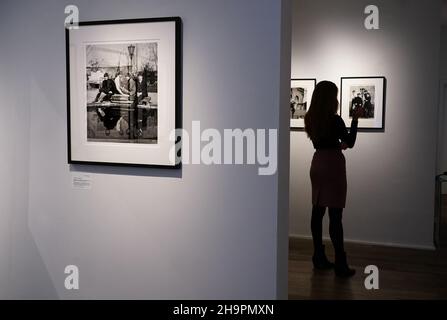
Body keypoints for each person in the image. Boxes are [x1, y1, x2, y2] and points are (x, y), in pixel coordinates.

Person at [304, 81, 363, 278]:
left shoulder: (310, 117)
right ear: (331, 98)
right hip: (333, 165)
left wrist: (337, 144)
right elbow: (351, 142)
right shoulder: (335, 120)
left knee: (317, 210)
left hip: (318, 163)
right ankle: (340, 263)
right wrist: (355, 120)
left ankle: (318, 256)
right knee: (335, 215)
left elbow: (324, 140)